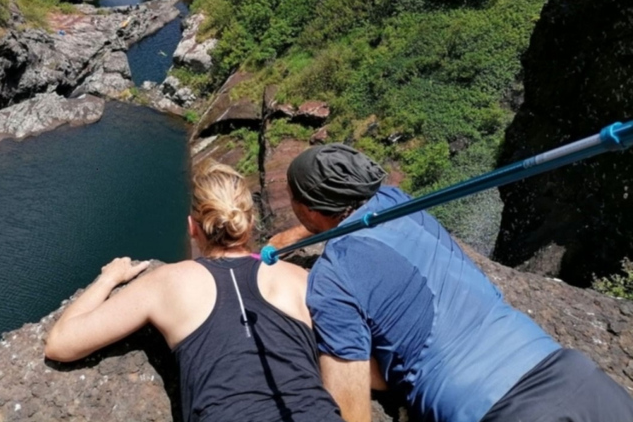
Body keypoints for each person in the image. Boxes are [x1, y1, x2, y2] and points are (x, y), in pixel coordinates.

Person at [272, 143, 633, 422]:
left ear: (309, 208)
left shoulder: (333, 279)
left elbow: (348, 404)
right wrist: (291, 239)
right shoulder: (397, 202)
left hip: (498, 410)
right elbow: (344, 216)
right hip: (569, 372)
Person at [45, 160, 342, 422]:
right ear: (249, 223)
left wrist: (108, 279)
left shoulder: (166, 283)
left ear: (192, 227)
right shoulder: (301, 279)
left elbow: (61, 344)